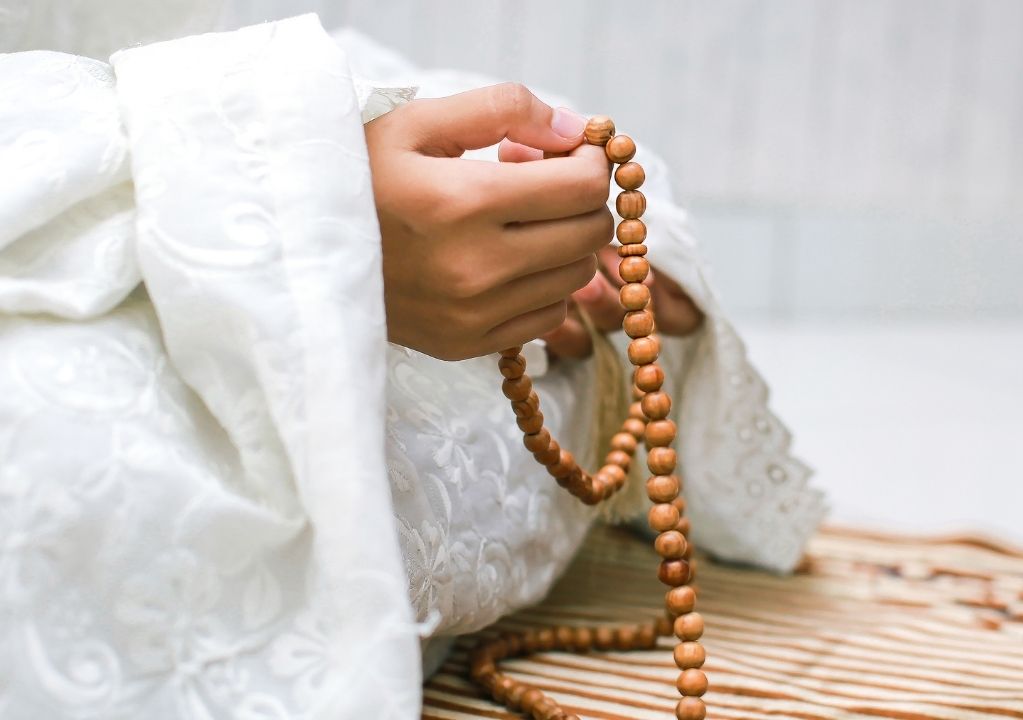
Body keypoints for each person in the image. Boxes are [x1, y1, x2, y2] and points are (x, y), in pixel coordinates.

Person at [0, 3, 826, 718]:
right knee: (66, 425)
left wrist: (354, 164)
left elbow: (195, 49)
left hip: (175, 120)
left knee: (457, 369)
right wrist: (303, 218)